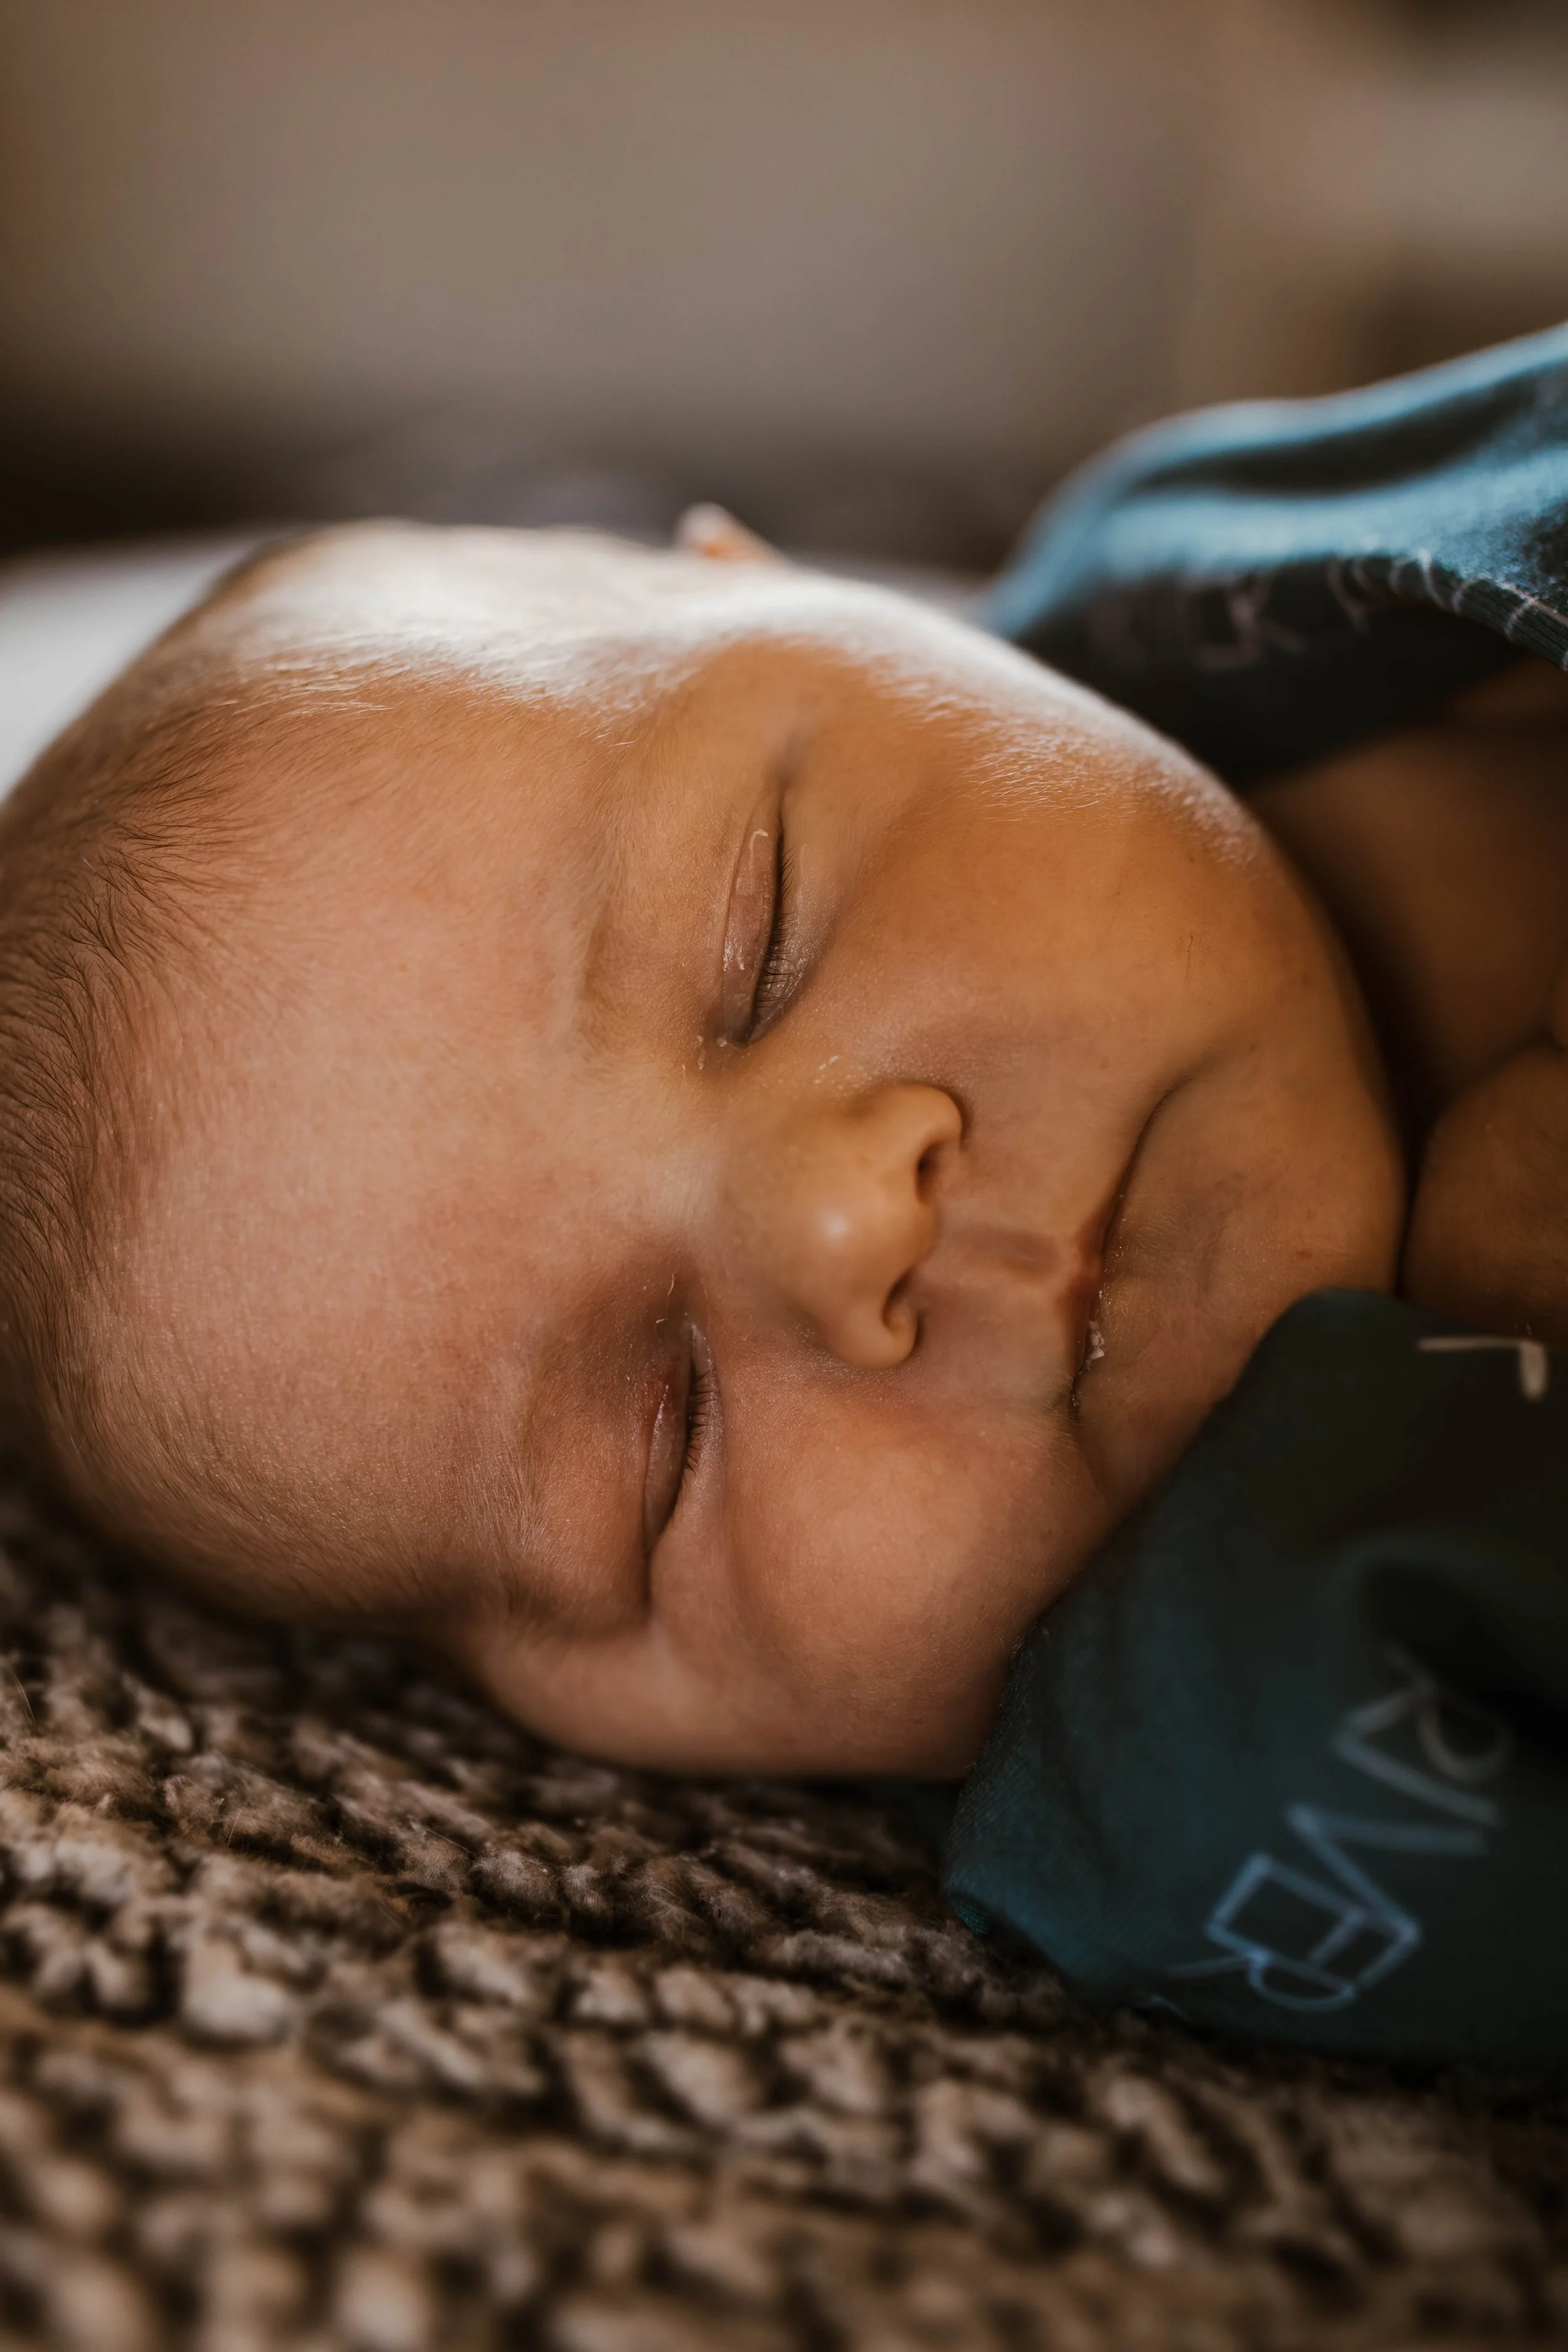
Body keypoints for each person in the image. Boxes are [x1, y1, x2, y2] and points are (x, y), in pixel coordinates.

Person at [0, 325, 1565, 2065]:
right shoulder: (1273, 1787)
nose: (844, 1229)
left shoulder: (1275, 569)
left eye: (759, 941)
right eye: (665, 1431)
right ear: (606, 1734)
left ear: (805, 591)